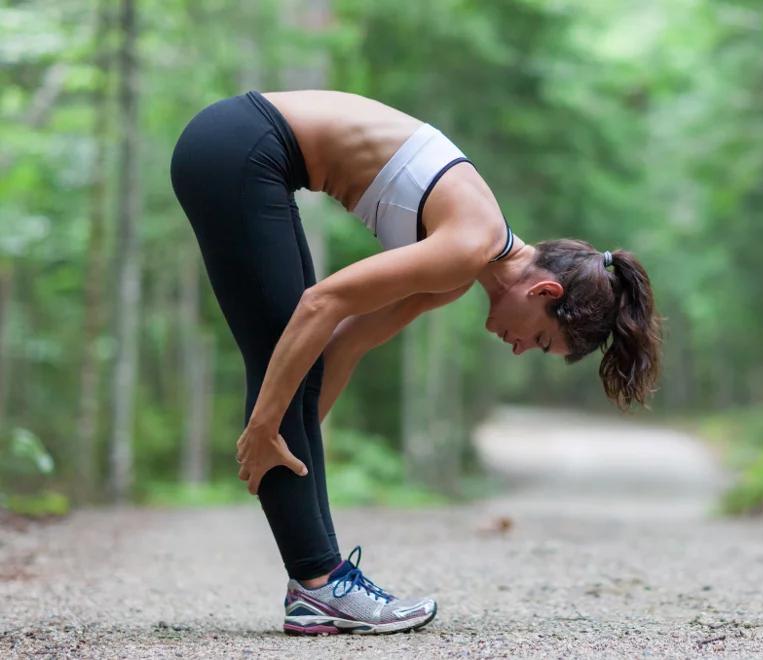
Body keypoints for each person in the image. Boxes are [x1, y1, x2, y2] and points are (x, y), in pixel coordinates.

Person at [169, 90, 662, 635]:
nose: (521, 349)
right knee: (281, 353)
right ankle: (319, 586)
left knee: (293, 366)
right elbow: (322, 304)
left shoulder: (457, 270)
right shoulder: (469, 244)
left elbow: (344, 343)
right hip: (241, 145)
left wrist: (298, 444)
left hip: (241, 149)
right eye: (542, 340)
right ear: (544, 291)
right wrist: (265, 425)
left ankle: (318, 585)